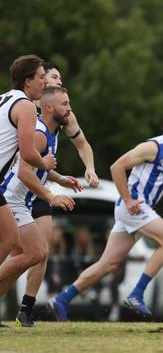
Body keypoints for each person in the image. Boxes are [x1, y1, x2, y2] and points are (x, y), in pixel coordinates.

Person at [49, 107, 163, 321]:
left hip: (138, 210)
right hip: (132, 206)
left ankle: (62, 299)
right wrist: (127, 199)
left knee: (106, 265)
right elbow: (117, 166)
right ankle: (137, 293)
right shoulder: (152, 147)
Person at [16, 61, 100, 327]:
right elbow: (24, 168)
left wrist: (87, 170)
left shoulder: (62, 114)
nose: (53, 81)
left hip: (36, 192)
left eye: (56, 79)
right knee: (19, 251)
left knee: (41, 251)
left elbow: (82, 144)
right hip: (15, 192)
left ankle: (25, 309)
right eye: (50, 77)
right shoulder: (29, 108)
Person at [0, 86, 79, 302]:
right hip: (11, 199)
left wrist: (59, 178)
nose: (69, 110)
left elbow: (38, 166)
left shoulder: (51, 133)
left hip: (19, 202)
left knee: (26, 256)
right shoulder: (40, 134)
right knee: (35, 253)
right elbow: (25, 173)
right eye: (65, 104)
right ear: (49, 107)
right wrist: (50, 196)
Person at [0, 55, 57, 283]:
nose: (45, 82)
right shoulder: (25, 106)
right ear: (27, 80)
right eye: (41, 77)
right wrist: (45, 164)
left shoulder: (4, 98)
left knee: (13, 239)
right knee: (10, 239)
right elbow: (28, 153)